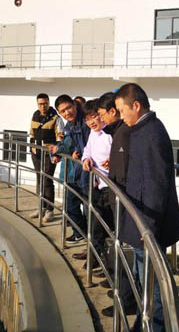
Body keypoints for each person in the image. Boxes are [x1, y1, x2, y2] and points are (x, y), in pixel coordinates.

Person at [115, 83, 179, 332]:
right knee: (143, 280)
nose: (120, 116)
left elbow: (156, 184)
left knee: (151, 283)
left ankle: (154, 327)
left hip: (146, 224)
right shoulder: (143, 130)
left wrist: (149, 229)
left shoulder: (151, 134)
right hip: (141, 221)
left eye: (121, 110)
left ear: (136, 106)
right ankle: (143, 323)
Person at [96, 91, 137, 316]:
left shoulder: (123, 133)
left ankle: (127, 298)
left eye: (103, 114)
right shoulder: (120, 132)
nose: (101, 119)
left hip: (122, 202)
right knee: (121, 249)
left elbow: (124, 173)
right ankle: (124, 292)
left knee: (124, 250)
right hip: (119, 200)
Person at [73, 100, 112, 269]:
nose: (91, 122)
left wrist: (113, 161)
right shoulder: (93, 134)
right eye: (87, 119)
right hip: (97, 185)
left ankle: (100, 260)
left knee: (103, 225)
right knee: (95, 223)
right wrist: (86, 159)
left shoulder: (109, 134)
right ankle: (95, 256)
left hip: (110, 186)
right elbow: (87, 150)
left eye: (94, 116)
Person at [50, 94, 90, 244]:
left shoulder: (85, 122)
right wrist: (57, 151)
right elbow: (68, 144)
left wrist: (62, 150)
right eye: (63, 111)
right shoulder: (69, 125)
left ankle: (88, 239)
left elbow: (84, 144)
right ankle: (82, 234)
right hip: (76, 173)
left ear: (74, 105)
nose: (67, 112)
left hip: (85, 172)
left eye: (68, 108)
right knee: (70, 206)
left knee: (88, 210)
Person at [29, 93, 58, 222]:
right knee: (39, 180)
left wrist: (56, 153)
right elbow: (31, 132)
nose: (43, 106)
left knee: (47, 180)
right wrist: (31, 147)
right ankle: (41, 207)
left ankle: (50, 210)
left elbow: (60, 136)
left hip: (48, 153)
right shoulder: (35, 115)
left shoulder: (55, 117)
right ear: (37, 104)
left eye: (45, 103)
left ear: (48, 103)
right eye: (40, 104)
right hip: (36, 152)